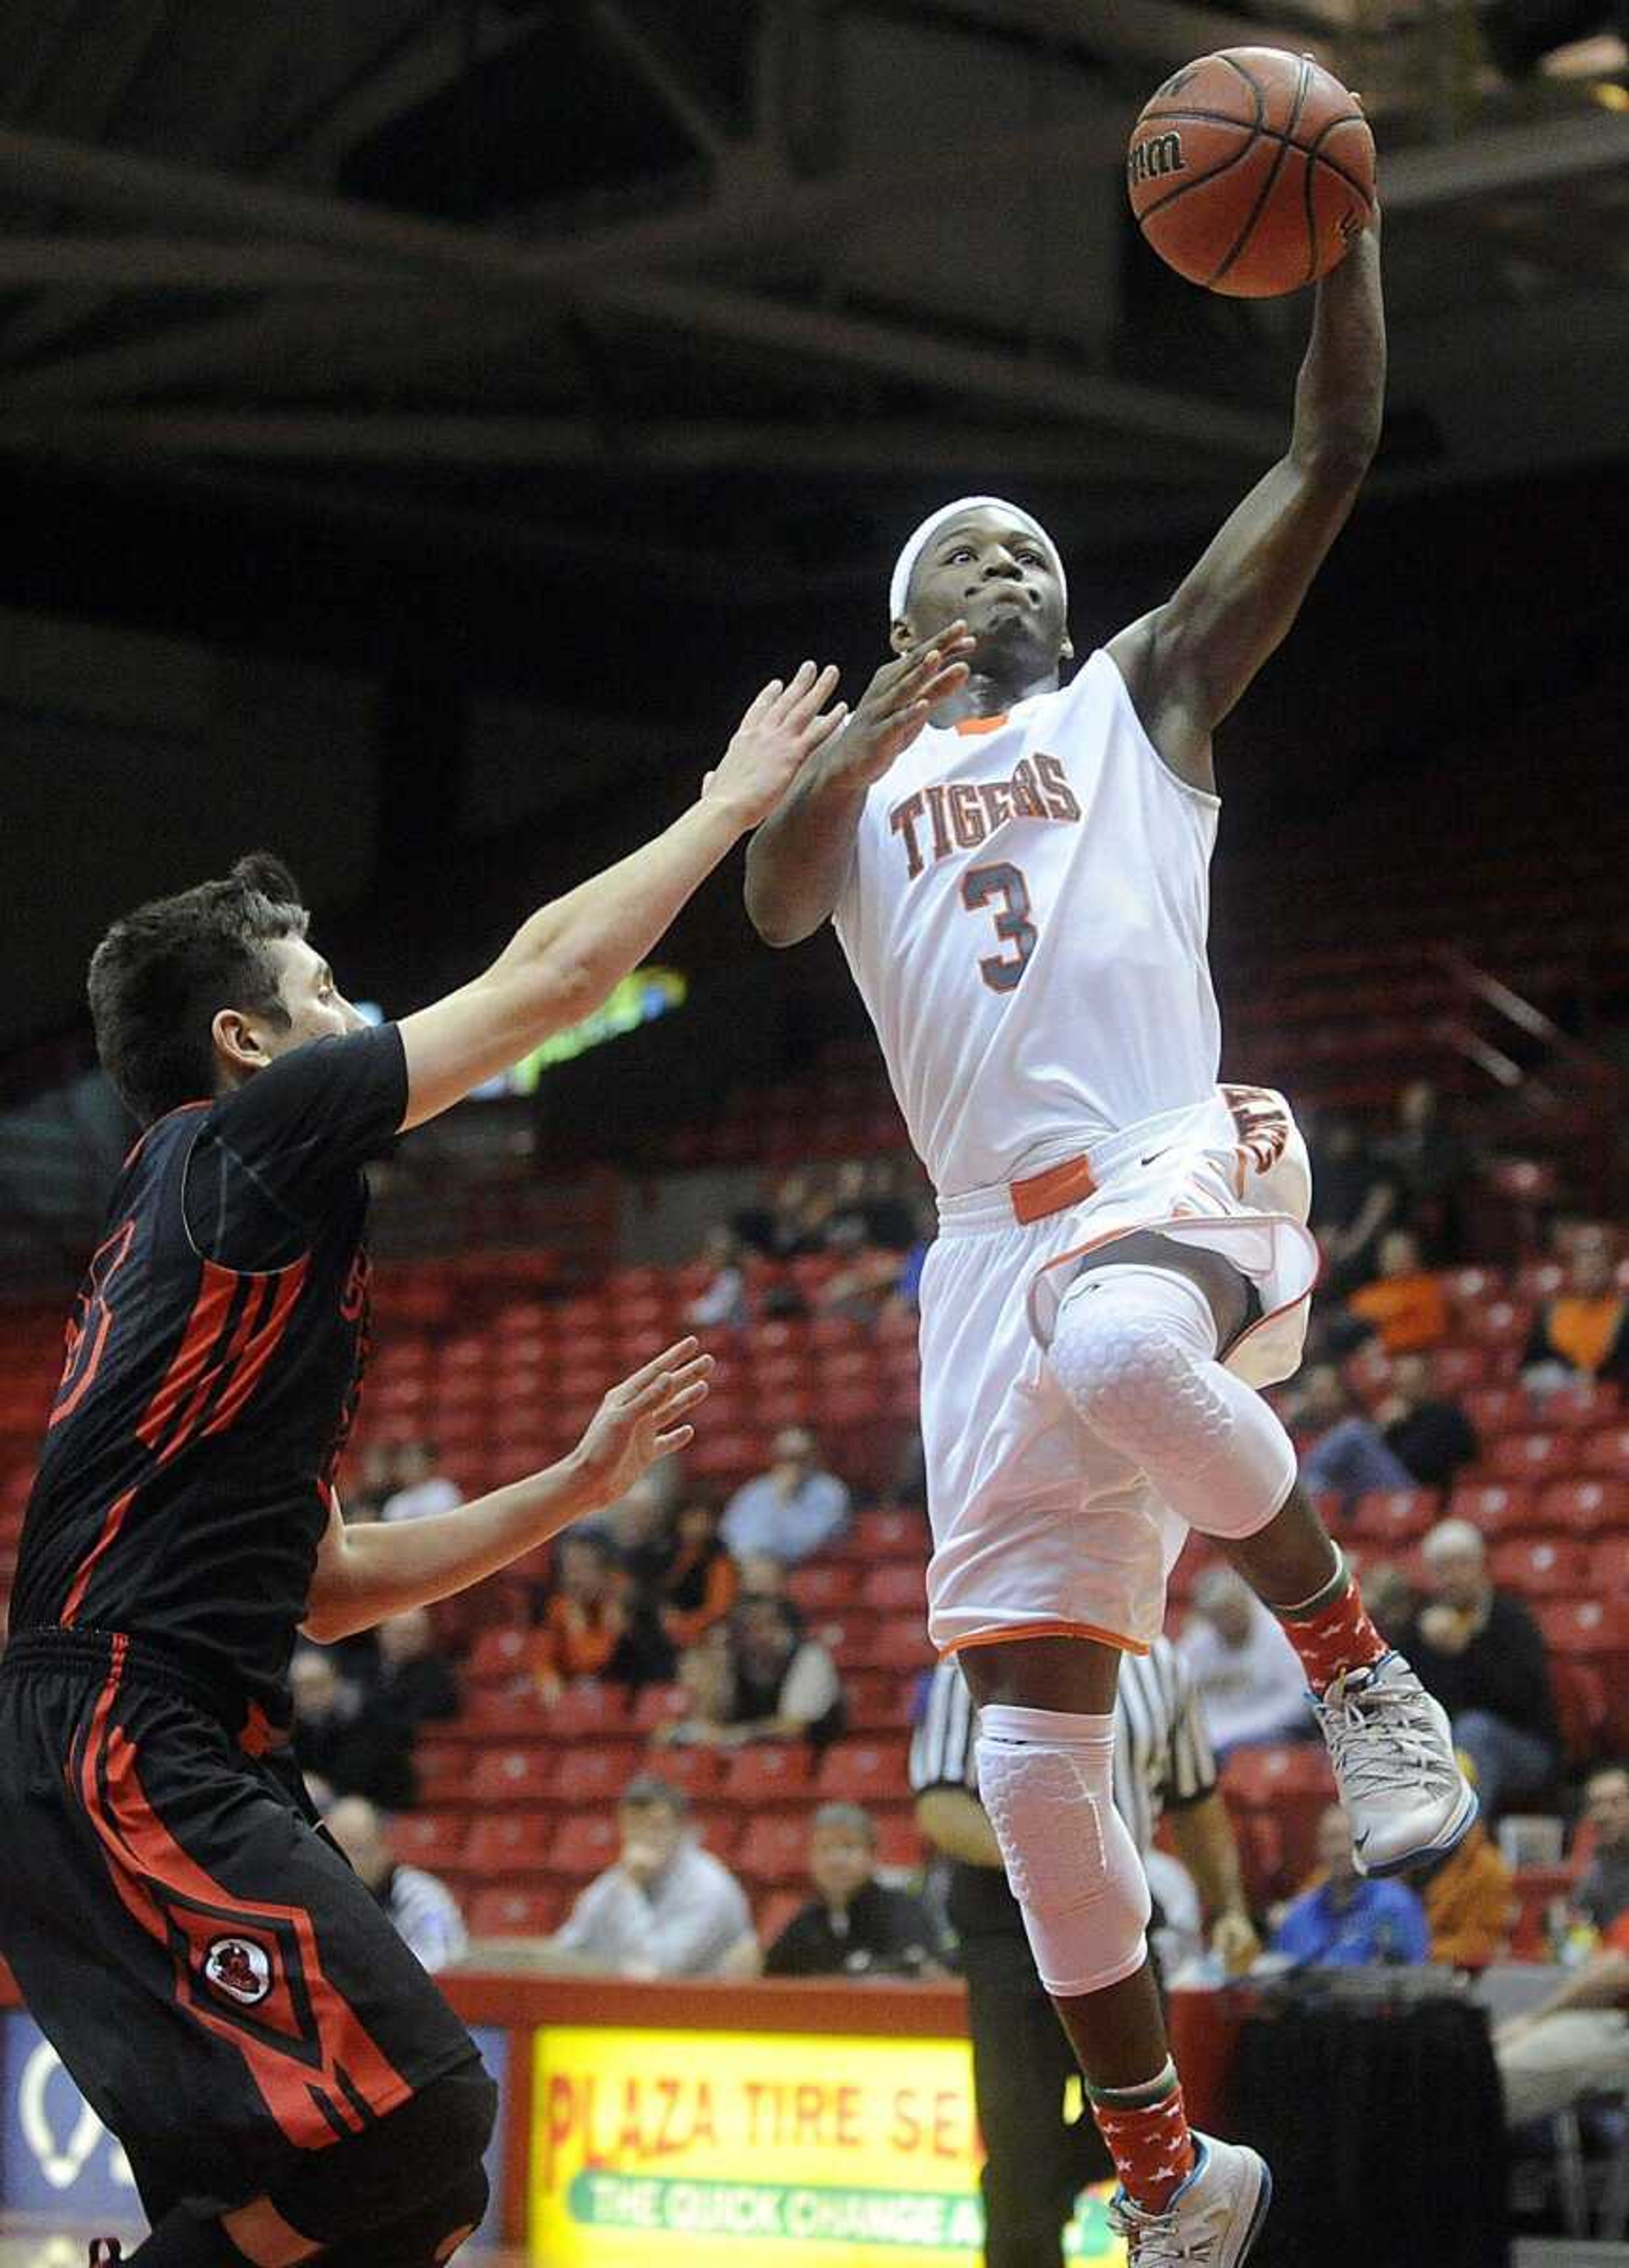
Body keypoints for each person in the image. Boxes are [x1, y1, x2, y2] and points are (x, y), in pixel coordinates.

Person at [745, 202, 1472, 2254]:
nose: (1019, 569)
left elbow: (1326, 457)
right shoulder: (865, 790)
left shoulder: (1143, 691)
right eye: (977, 551)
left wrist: (1342, 235)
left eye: (1039, 555)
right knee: (1041, 1748)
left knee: (1118, 1345)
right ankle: (1167, 2174)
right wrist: (871, 726)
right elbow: (775, 903)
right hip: (981, 1249)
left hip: (1176, 1168)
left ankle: (1356, 1675)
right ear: (914, 610)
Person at [0, 661, 836, 2268]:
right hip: (125, 1731)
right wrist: (730, 805)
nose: (356, 1010)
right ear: (246, 1041)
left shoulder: (242, 1245)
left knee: (400, 2195)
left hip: (165, 1728)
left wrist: (573, 1492)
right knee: (423, 2121)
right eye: (321, 989)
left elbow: (323, 1587)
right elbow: (552, 976)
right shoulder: (246, 1139)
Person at [910, 1647, 1260, 2268]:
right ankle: (1029, 2194)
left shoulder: (1164, 1665)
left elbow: (1196, 1798)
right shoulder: (972, 1651)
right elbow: (940, 1806)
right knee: (1019, 2131)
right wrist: (1047, 1862)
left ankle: (1042, 2184)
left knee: (1142, 2108)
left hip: (1119, 1901)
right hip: (1006, 1913)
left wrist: (1230, 1906)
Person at [1401, 1519, 1559, 1820]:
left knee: (1475, 1730)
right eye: (1441, 1569)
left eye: (1460, 1565)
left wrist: (1467, 1649)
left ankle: (1459, 1844)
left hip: (1523, 1747)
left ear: (1481, 1566)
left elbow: (1524, 1700)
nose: (1451, 1577)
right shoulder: (1421, 1626)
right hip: (1442, 1747)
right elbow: (1408, 1700)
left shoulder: (1511, 1619)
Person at [539, 1777, 753, 1979]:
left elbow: (662, 1971)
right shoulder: (616, 1879)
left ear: (682, 1829)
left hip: (701, 2009)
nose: (643, 1837)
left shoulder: (710, 1887)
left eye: (656, 1826)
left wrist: (630, 1891)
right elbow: (568, 1948)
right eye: (633, 1827)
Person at [760, 1803, 944, 1978]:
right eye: (825, 1849)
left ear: (873, 1855)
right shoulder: (806, 1921)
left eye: (849, 1847)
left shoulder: (902, 1912)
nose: (836, 1861)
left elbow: (921, 1971)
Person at [1492, 1907, 1629, 2126]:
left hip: (1617, 2023)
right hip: (1603, 2015)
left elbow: (1616, 1973)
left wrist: (1536, 2019)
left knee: (1495, 2070)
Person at [658, 1593, 845, 1750]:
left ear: (783, 1629)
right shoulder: (731, 1659)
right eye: (748, 1629)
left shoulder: (809, 1656)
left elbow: (795, 1727)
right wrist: (712, 1673)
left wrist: (735, 1736)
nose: (759, 1636)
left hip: (810, 1760)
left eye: (766, 1626)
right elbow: (707, 1723)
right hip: (745, 1761)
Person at [1272, 1805, 1431, 1968]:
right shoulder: (1298, 1916)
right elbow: (1277, 1979)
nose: (1341, 1849)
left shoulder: (1398, 1906)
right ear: (1319, 1848)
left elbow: (1415, 1977)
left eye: (1352, 1838)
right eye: (1332, 1839)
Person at [325, 1796, 467, 1976]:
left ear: (384, 1849)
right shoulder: (324, 1897)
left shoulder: (423, 1895)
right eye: (335, 1852)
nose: (346, 1862)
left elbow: (441, 1958)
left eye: (357, 1850)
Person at [1178, 1569, 1312, 1760]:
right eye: (1216, 1615)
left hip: (1272, 1730)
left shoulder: (1281, 1636)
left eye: (1229, 1610)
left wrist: (1244, 1728)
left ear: (1245, 1602)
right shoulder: (1197, 1644)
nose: (1225, 1620)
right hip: (1214, 1733)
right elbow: (1179, 1698)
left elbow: (1299, 1702)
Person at [290, 1646, 417, 1812]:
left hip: (379, 1807)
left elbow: (363, 1778)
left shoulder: (366, 1717)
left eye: (318, 1684)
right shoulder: (289, 1728)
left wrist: (322, 1788)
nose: (311, 1694)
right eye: (302, 1687)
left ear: (335, 1682)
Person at [720, 1427, 851, 1567]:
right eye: (786, 1457)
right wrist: (753, 1557)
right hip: (749, 1566)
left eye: (800, 1458)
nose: (793, 1465)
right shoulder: (756, 1489)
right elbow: (730, 1533)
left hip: (805, 1567)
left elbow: (810, 1542)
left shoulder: (830, 1491)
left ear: (814, 1457)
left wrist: (784, 1501)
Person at [1522, 1231, 1629, 1393]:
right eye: (1585, 1264)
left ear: (1612, 1269)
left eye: (1599, 1265)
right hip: (1562, 1400)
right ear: (1573, 1270)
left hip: (1615, 1400)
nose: (1592, 1272)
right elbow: (1531, 1366)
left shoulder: (1624, 1312)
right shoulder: (1551, 1313)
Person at [1417, 1822, 1513, 1971]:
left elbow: (1480, 1944)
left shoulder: (1487, 1870)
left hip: (1455, 1976)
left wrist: (1417, 1950)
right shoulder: (1402, 1856)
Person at [1346, 1228, 1451, 1356]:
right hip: (1370, 1352)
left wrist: (1387, 1343)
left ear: (1413, 1256)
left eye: (1399, 1254)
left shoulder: (1426, 1288)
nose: (1392, 1260)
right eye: (1388, 1254)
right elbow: (1356, 1315)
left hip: (1414, 1354)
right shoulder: (1370, 1292)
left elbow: (1433, 1329)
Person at [372, 1607, 460, 1732]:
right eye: (401, 1633)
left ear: (427, 1637)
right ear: (380, 1634)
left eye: (415, 1633)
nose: (407, 1641)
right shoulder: (359, 1665)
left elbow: (417, 1722)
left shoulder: (435, 1676)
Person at [1571, 1765, 1629, 1936]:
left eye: (1616, 1803)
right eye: (1595, 1805)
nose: (1602, 1814)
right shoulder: (1596, 1872)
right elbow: (1578, 1931)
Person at [684, 1225, 750, 1333]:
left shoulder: (732, 1277)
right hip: (713, 1328)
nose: (714, 1256)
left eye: (720, 1253)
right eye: (712, 1252)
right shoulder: (705, 1273)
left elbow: (719, 1310)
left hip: (732, 1332)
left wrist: (693, 1314)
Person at [381, 1441, 463, 1526]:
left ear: (429, 1464)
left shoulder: (444, 1492)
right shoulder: (395, 1503)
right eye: (404, 1463)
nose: (407, 1467)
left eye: (412, 1462)